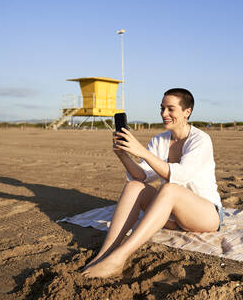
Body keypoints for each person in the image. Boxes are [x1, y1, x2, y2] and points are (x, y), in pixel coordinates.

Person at [82, 88, 223, 278]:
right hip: (172, 217)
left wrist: (142, 151)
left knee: (170, 188)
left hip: (205, 215)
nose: (164, 114)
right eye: (162, 108)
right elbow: (142, 176)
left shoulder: (201, 140)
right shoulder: (160, 140)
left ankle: (119, 258)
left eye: (170, 109)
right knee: (134, 186)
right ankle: (105, 253)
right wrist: (123, 155)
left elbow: (179, 175)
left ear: (186, 112)